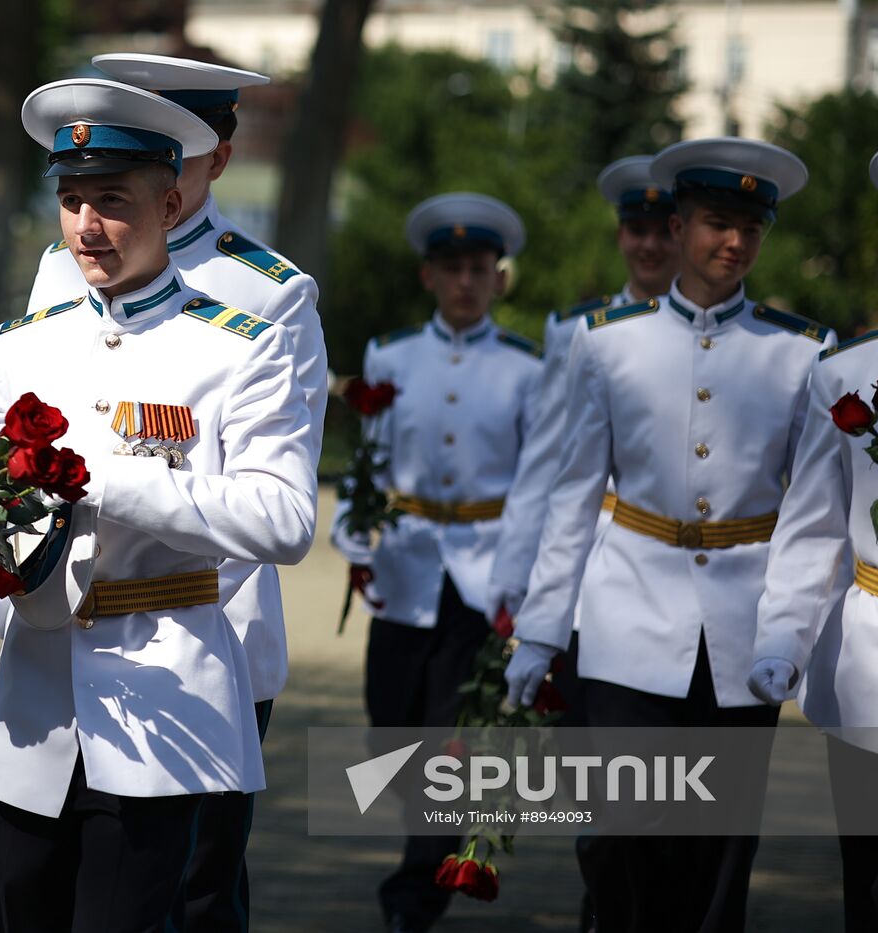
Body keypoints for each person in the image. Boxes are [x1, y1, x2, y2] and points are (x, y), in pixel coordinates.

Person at [0, 78, 317, 932]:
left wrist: (106, 479)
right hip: (37, 697)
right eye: (72, 199)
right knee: (4, 909)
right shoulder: (25, 343)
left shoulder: (242, 349)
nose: (87, 224)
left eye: (113, 201)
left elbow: (284, 520)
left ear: (171, 203)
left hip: (163, 694)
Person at [504, 137, 836, 933]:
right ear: (680, 225)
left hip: (743, 628)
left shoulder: (801, 352)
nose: (735, 242)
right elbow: (574, 496)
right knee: (621, 830)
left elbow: (812, 515)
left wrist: (788, 634)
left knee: (716, 848)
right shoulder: (607, 339)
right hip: (627, 617)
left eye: (751, 228)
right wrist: (541, 629)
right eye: (719, 223)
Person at [749, 137, 878, 932]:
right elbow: (811, 526)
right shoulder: (844, 370)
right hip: (866, 659)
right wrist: (783, 638)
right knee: (867, 884)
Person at [331, 193, 542, 933]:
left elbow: (536, 480)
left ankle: (416, 893)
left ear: (498, 278)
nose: (465, 282)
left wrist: (524, 572)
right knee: (389, 722)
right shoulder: (391, 354)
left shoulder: (525, 366)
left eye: (479, 269)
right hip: (407, 563)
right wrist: (352, 525)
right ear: (428, 276)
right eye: (452, 268)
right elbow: (370, 455)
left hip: (481, 572)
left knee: (452, 730)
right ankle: (428, 832)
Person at [487, 154, 679, 933]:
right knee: (601, 788)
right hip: (591, 585)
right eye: (636, 228)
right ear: (620, 234)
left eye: (663, 229)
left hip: (685, 582)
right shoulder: (580, 329)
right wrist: (515, 581)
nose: (649, 245)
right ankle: (608, 905)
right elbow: (546, 465)